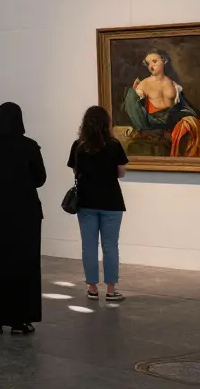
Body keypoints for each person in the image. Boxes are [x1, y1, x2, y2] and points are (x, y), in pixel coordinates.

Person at [0, 102, 47, 335]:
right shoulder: (29, 146)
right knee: (22, 264)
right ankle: (19, 320)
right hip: (22, 215)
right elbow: (40, 178)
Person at [70, 105, 129, 302]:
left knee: (89, 245)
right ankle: (111, 290)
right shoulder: (113, 145)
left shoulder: (78, 145)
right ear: (106, 123)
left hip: (86, 202)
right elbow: (120, 172)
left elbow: (75, 172)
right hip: (111, 201)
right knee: (110, 245)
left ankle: (92, 288)